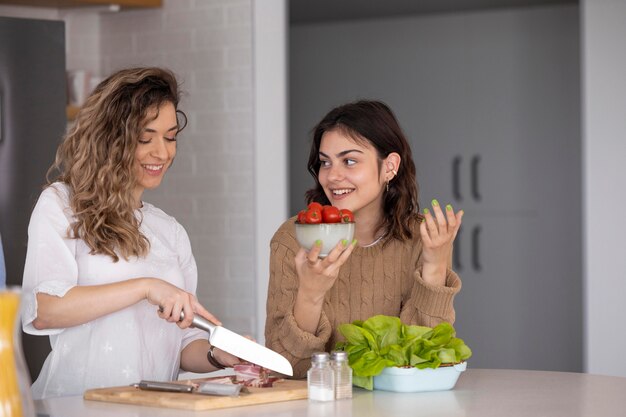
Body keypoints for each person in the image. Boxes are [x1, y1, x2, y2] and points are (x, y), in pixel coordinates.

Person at [20, 67, 238, 399]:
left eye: (170, 137)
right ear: (110, 138)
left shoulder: (170, 231)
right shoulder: (62, 205)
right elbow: (44, 310)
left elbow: (179, 343)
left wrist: (216, 354)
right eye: (144, 138)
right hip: (75, 405)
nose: (162, 153)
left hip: (151, 408)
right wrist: (146, 287)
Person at [265, 100, 463, 378]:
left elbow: (426, 359)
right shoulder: (293, 239)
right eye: (325, 162)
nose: (332, 176)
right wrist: (310, 295)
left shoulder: (424, 239)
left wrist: (434, 266)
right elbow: (285, 369)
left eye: (349, 161)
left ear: (390, 166)